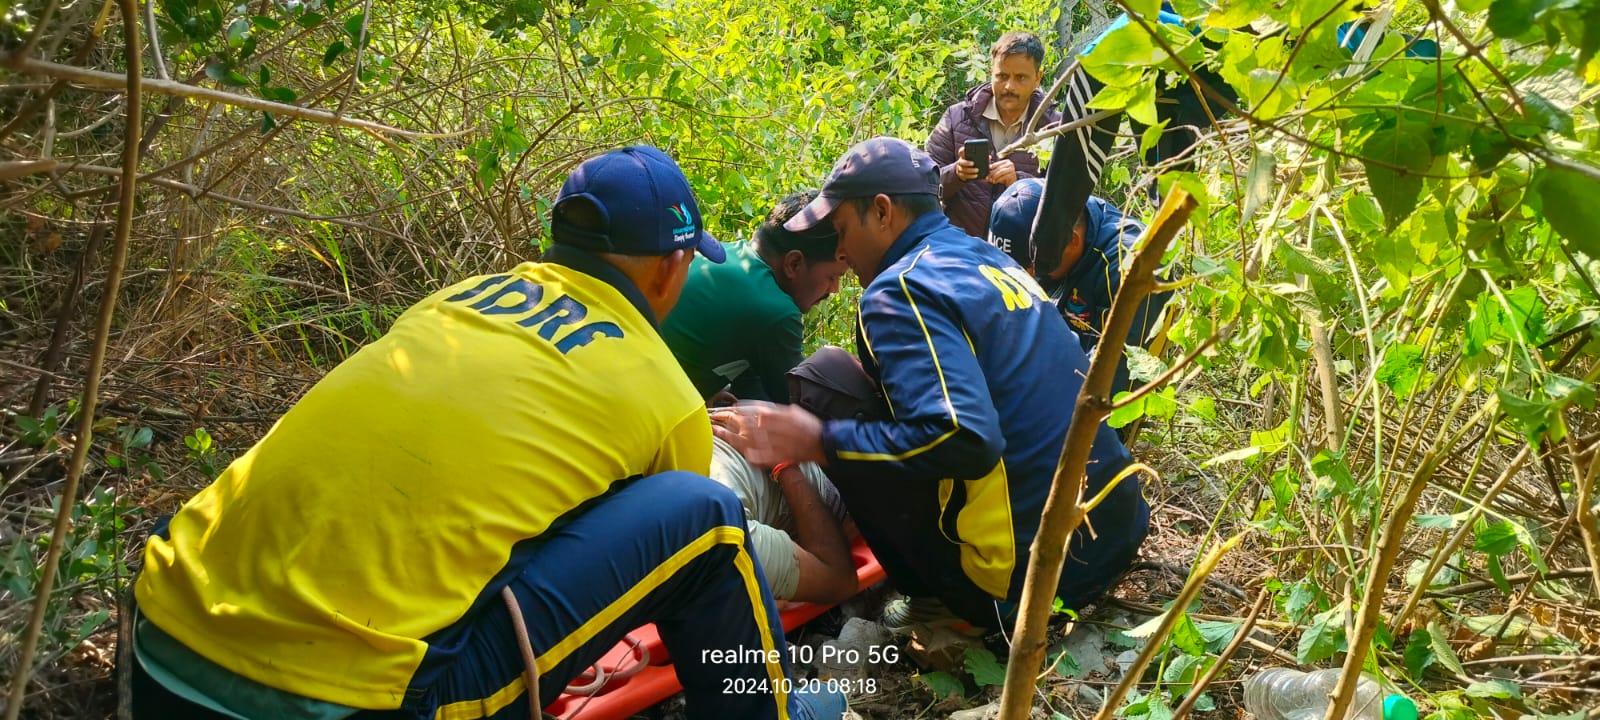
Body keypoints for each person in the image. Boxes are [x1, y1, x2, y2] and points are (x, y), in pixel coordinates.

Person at [128, 146, 844, 720]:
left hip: (161, 639)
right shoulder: (662, 390)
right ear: (670, 268)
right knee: (706, 518)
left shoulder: (453, 303)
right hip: (352, 701)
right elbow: (682, 563)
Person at [711, 137, 1149, 634]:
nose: (840, 252)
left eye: (842, 230)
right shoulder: (987, 258)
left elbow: (966, 438)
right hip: (1115, 533)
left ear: (882, 212)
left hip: (1027, 583)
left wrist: (818, 440)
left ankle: (939, 604)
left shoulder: (899, 290)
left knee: (826, 381)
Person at [707, 346, 884, 605]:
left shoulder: (720, 530)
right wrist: (784, 465)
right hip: (819, 465)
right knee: (830, 363)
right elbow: (837, 580)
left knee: (829, 364)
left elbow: (838, 579)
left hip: (812, 448)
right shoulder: (720, 528)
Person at [988, 180, 1174, 396]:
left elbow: (1110, 383)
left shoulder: (1131, 268)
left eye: (1032, 268)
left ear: (1072, 241)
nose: (1026, 280)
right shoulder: (1056, 238)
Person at [661, 191, 849, 403]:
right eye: (833, 276)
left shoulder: (731, 255)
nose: (835, 289)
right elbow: (799, 404)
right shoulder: (775, 311)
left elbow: (752, 377)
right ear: (794, 264)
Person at [925, 31, 1063, 239]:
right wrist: (957, 173)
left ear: (1038, 78)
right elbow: (923, 185)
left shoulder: (1054, 129)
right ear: (991, 73)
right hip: (959, 247)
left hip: (1021, 252)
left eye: (1020, 78)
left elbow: (1064, 200)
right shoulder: (957, 117)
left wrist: (1019, 182)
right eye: (1002, 76)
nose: (1009, 86)